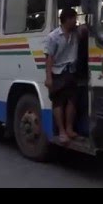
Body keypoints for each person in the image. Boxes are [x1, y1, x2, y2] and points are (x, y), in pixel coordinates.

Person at [44, 8, 82, 144]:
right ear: (67, 20)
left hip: (70, 71)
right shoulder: (53, 37)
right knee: (58, 102)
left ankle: (69, 129)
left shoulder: (75, 34)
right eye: (74, 19)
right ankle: (61, 131)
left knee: (72, 101)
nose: (76, 21)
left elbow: (85, 30)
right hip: (57, 72)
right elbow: (49, 59)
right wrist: (48, 78)